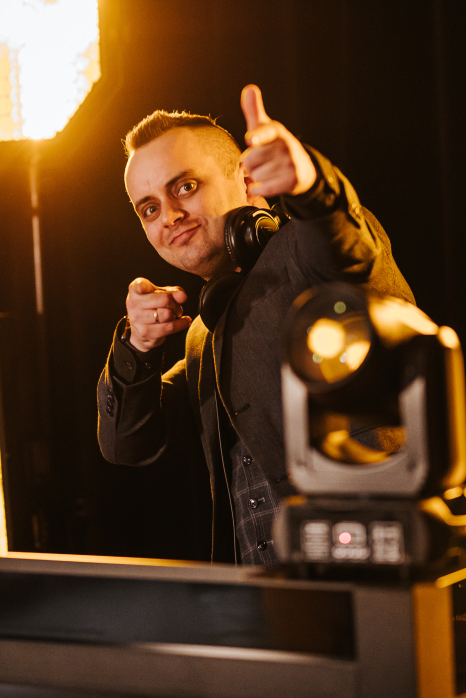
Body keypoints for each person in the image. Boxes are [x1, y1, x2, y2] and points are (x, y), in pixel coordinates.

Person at [96, 85, 414, 564]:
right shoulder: (202, 334)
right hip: (269, 598)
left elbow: (346, 244)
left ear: (248, 182)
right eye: (149, 208)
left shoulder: (307, 252)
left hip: (379, 576)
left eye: (185, 186)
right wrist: (137, 345)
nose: (170, 216)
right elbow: (126, 444)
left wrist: (312, 186)